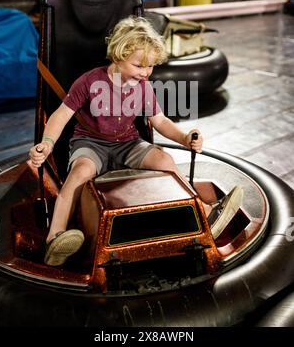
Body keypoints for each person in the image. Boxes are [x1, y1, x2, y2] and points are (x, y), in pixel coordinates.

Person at [29, 16, 243, 267]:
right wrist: (48, 142)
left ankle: (208, 214)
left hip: (127, 143)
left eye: (150, 66)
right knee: (79, 173)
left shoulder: (143, 87)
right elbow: (61, 114)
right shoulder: (89, 81)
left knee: (164, 158)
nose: (145, 72)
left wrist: (184, 138)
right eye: (139, 65)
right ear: (118, 55)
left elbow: (160, 121)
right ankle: (56, 238)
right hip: (91, 143)